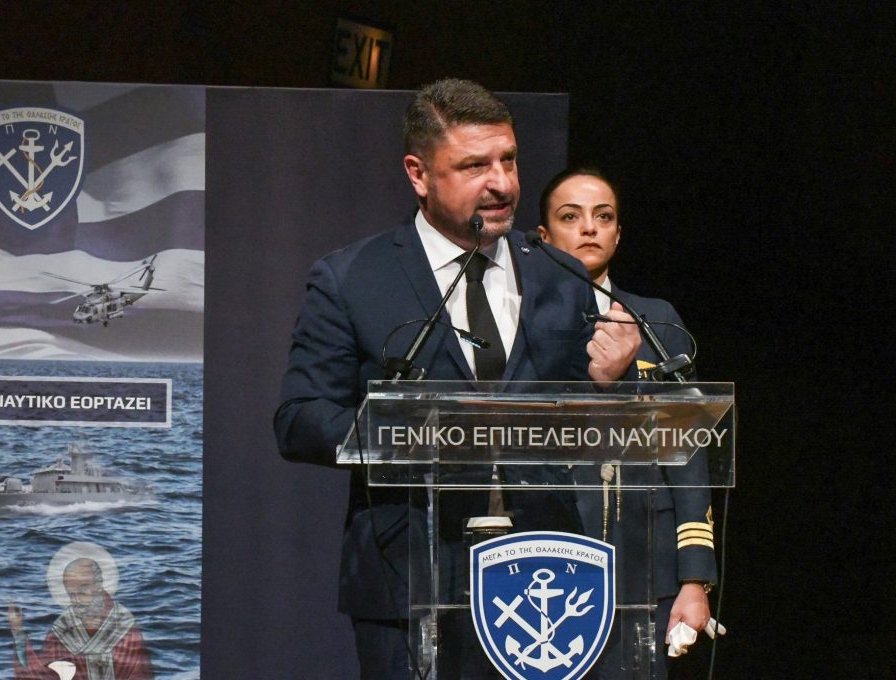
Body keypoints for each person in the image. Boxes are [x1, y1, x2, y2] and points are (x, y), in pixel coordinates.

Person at [274, 79, 641, 679]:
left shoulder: (559, 274)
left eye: (509, 160)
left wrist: (608, 385)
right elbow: (298, 421)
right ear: (418, 174)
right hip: (409, 579)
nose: (502, 183)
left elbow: (590, 431)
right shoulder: (352, 279)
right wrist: (408, 432)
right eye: (475, 166)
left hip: (545, 575)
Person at [536, 167, 718, 678]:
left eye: (603, 217)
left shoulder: (657, 320)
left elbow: (687, 450)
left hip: (644, 559)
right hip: (547, 551)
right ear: (543, 238)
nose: (589, 228)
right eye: (570, 217)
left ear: (618, 234)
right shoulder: (517, 319)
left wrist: (695, 578)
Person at [8, 557, 153, 680]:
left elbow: (139, 674)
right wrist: (18, 633)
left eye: (83, 592)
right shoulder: (60, 630)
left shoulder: (125, 625)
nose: (77, 600)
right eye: (71, 595)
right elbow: (42, 675)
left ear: (99, 585)